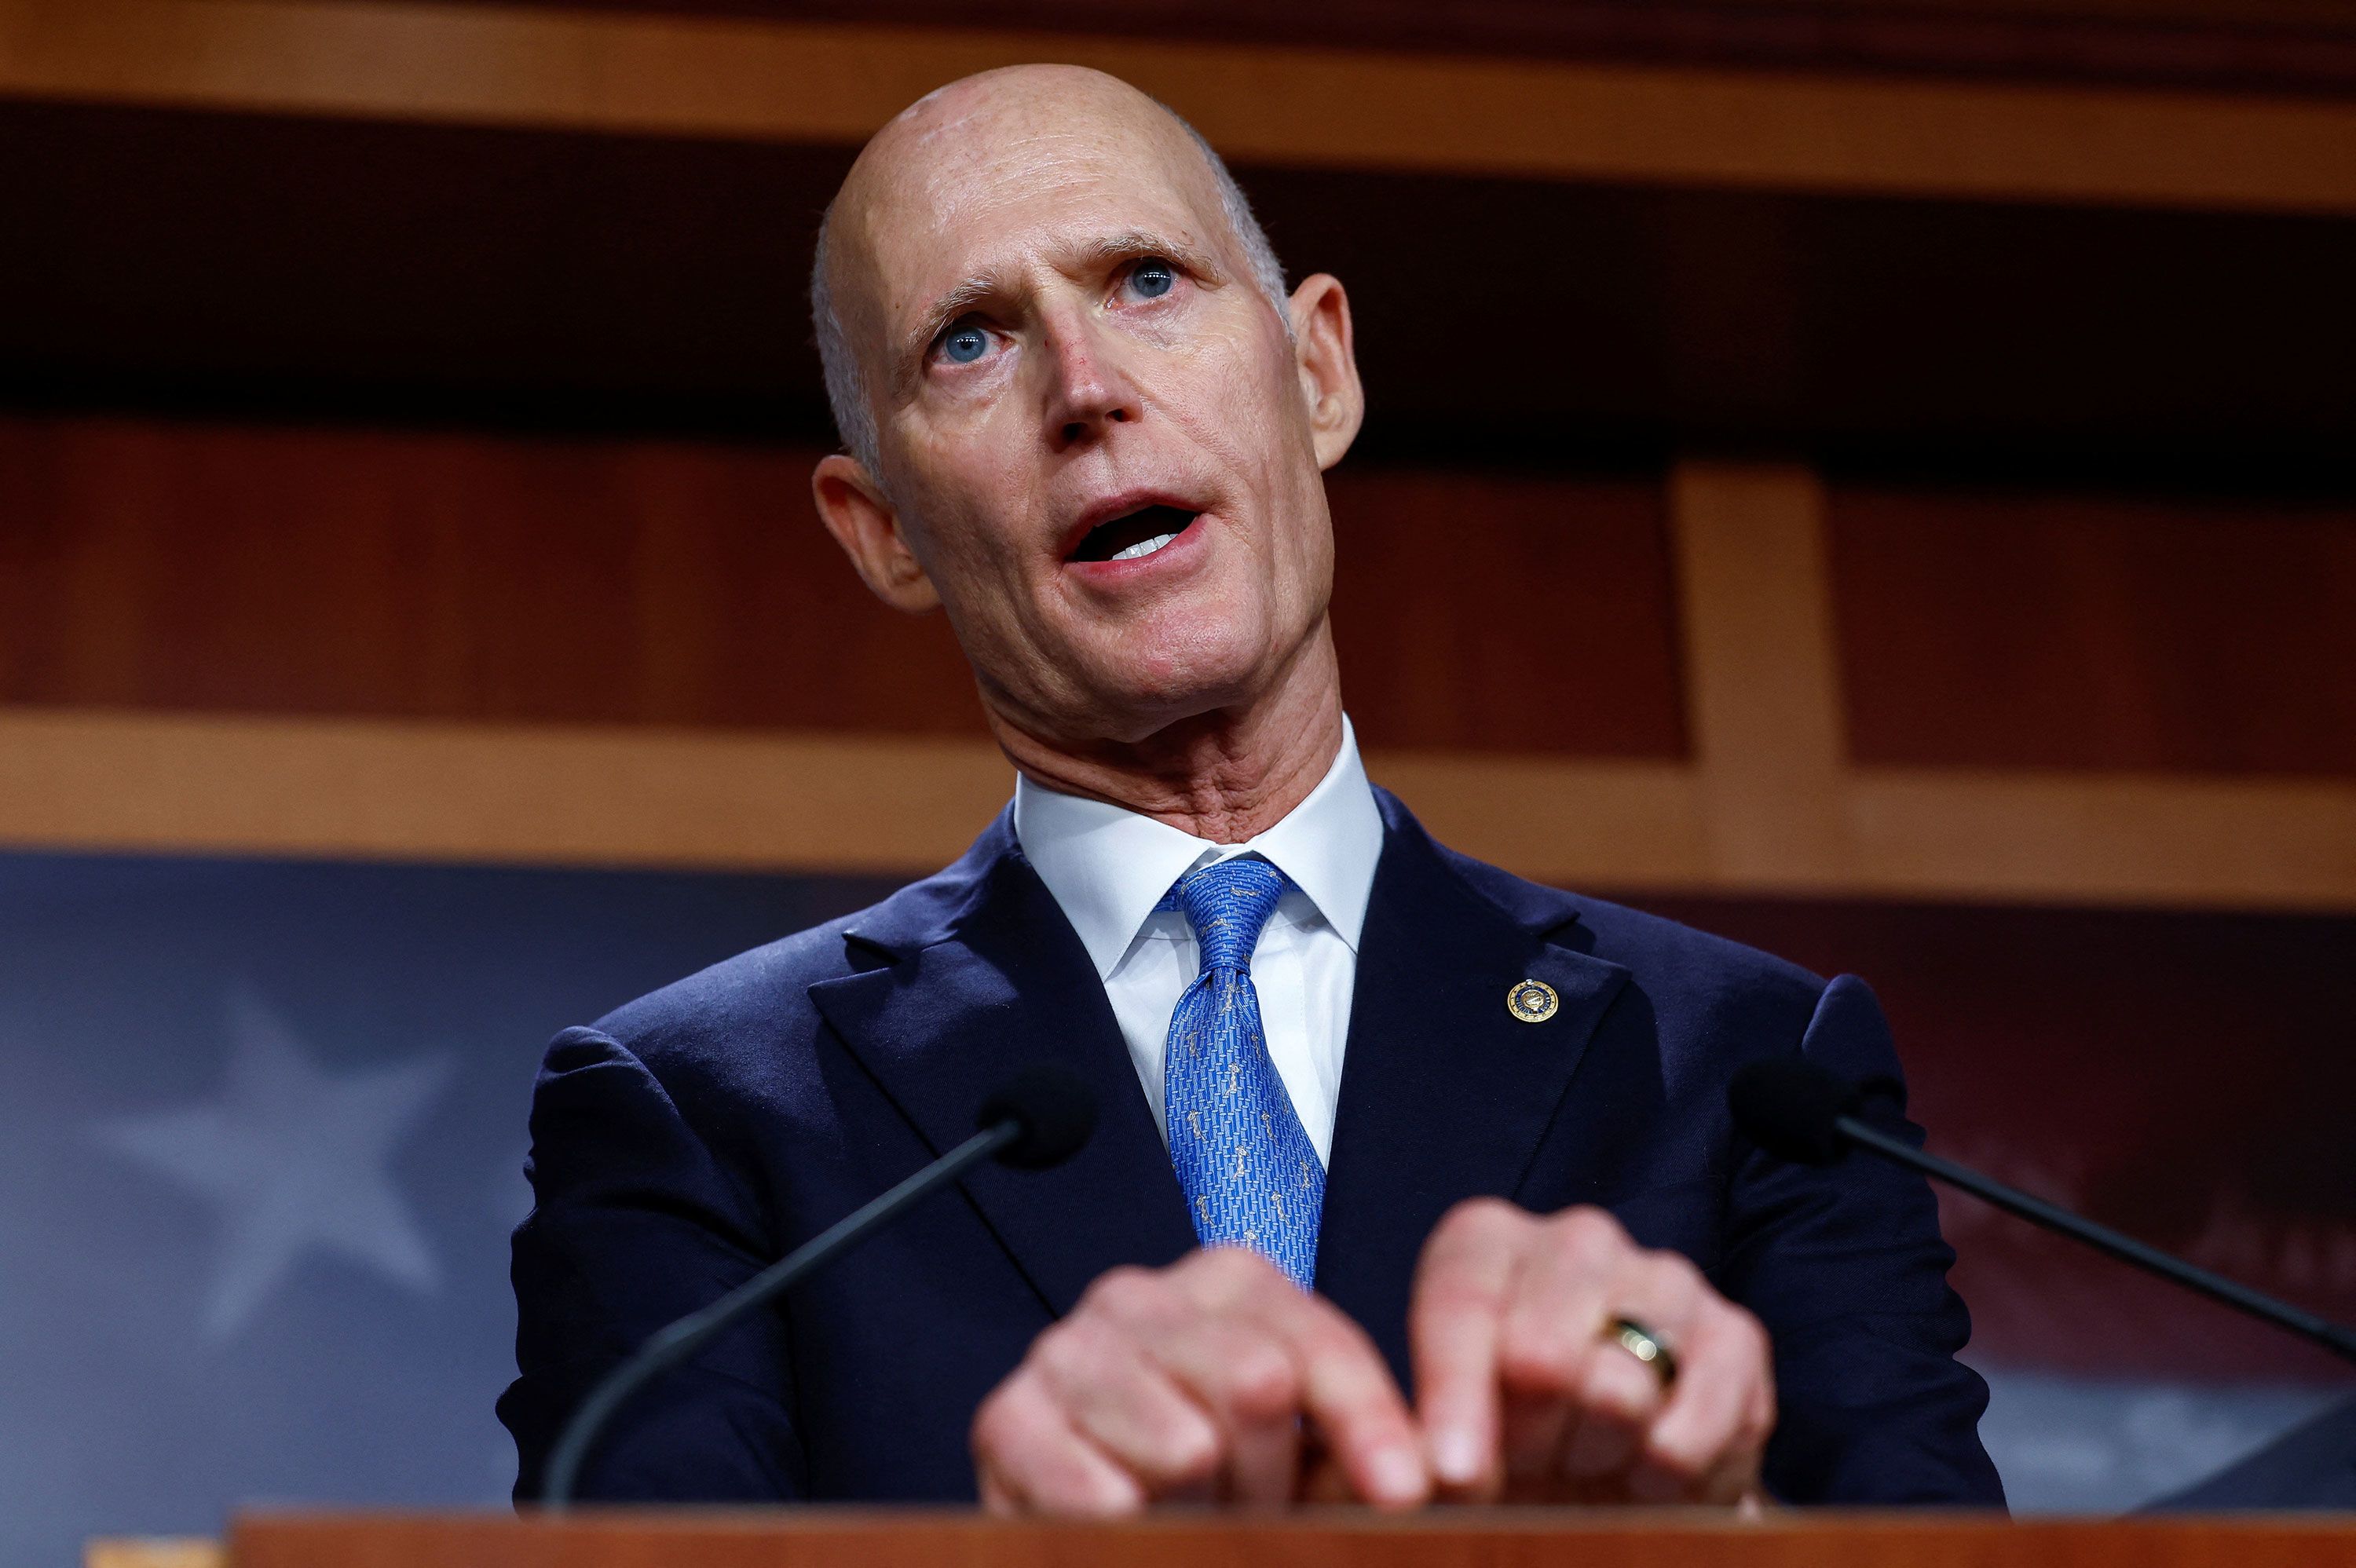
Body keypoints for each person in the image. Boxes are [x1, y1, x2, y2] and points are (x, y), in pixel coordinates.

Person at [499, 64, 2003, 1513]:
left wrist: (1701, 1524)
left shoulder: (1753, 1073)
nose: (1086, 388)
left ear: (1317, 369)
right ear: (881, 526)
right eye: (970, 340)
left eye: (1147, 280)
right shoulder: (698, 1114)